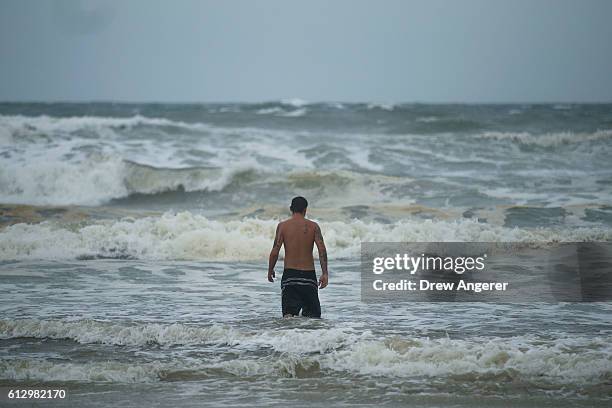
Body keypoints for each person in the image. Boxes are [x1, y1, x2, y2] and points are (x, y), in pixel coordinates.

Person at [267, 196, 328, 318]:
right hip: (308, 277)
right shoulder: (313, 226)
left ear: (291, 209)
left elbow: (275, 251)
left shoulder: (283, 226)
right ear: (305, 209)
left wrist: (270, 270)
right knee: (313, 319)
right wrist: (325, 273)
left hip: (290, 276)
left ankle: (289, 337)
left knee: (288, 318)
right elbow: (322, 250)